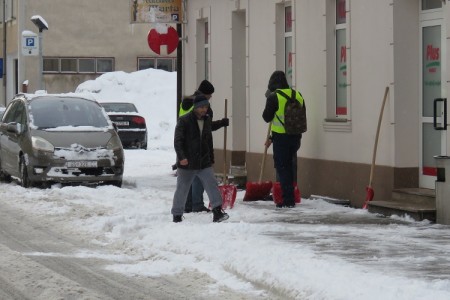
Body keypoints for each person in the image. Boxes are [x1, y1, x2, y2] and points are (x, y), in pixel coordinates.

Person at [171, 94, 229, 223]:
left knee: (212, 185)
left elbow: (208, 140)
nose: (204, 109)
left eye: (206, 107)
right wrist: (181, 157)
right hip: (187, 162)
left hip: (203, 161)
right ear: (196, 107)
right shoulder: (184, 120)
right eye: (201, 107)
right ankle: (177, 215)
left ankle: (217, 211)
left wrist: (211, 158)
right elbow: (178, 141)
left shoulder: (207, 120)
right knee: (182, 189)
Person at [262, 70, 307, 208]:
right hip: (296, 137)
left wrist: (269, 101)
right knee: (290, 165)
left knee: (283, 168)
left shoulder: (274, 97)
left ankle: (288, 200)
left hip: (281, 138)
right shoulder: (298, 95)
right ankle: (291, 194)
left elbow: (266, 117)